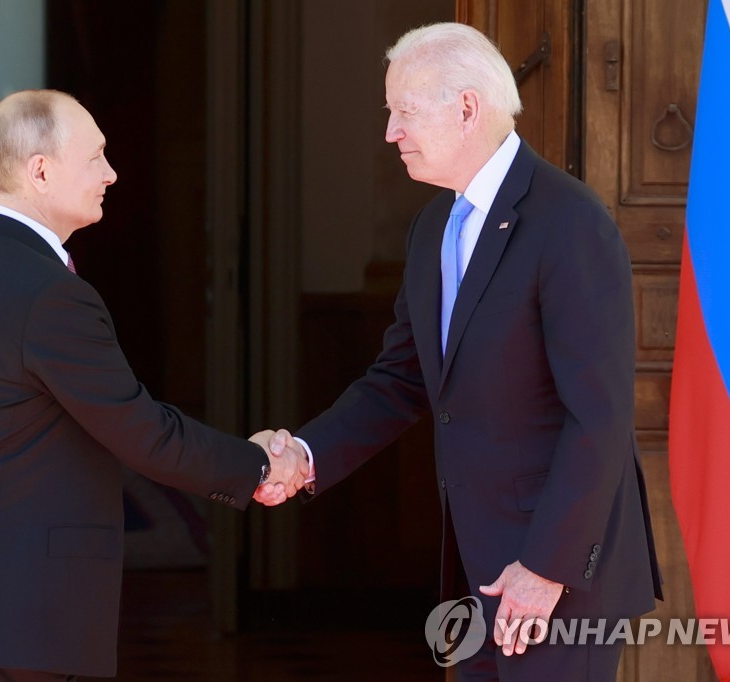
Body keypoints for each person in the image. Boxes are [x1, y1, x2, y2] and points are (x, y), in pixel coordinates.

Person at [258, 23, 662, 680]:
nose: (391, 131)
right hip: (476, 568)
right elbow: (401, 378)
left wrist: (546, 568)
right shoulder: (432, 226)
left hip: (553, 574)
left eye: (404, 112)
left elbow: (601, 417)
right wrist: (305, 457)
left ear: (466, 108)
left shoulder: (569, 222)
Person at [0, 89, 309, 681]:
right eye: (95, 157)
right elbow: (142, 432)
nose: (111, 174)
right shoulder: (48, 293)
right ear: (40, 171)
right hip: (19, 610)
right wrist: (259, 466)